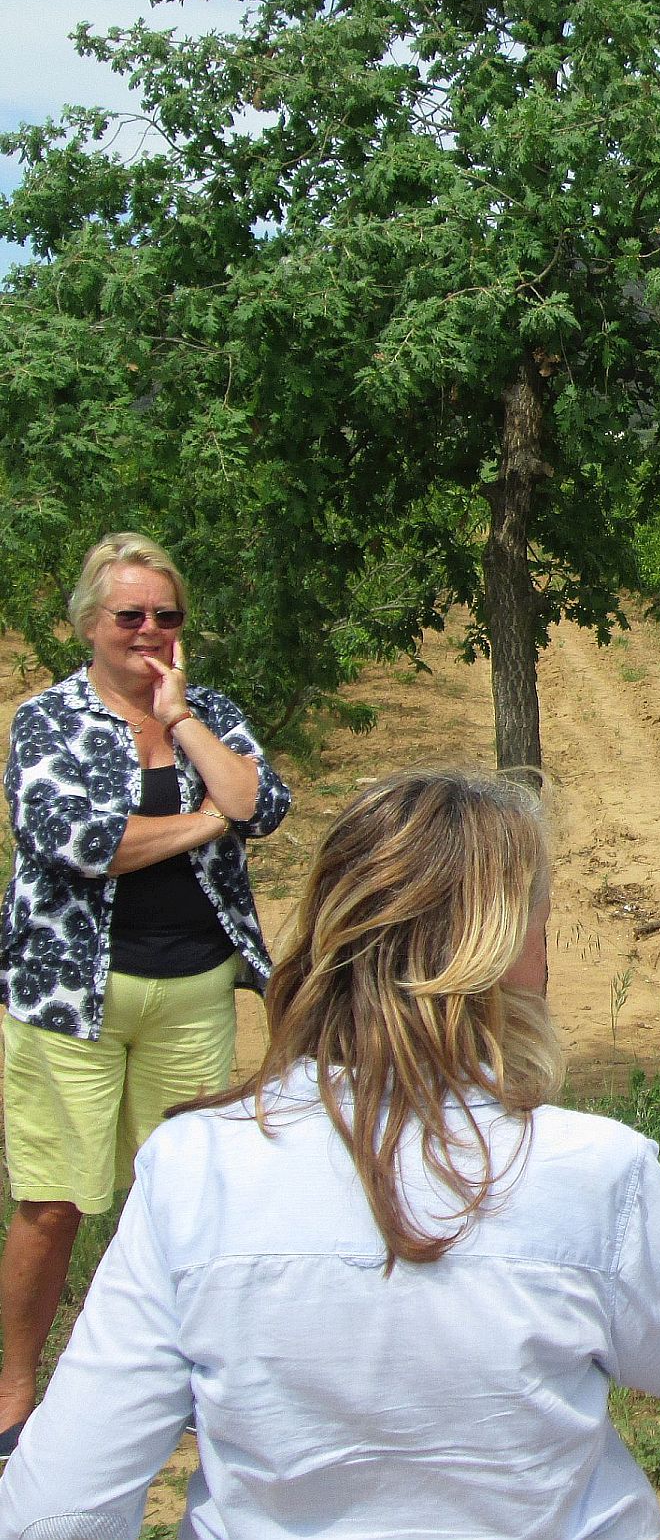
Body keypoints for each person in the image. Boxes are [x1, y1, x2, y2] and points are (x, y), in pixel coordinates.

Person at [0, 766, 660, 1536]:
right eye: (538, 928)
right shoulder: (590, 1172)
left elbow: (58, 1509)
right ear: (496, 954)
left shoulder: (194, 1168)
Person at [0, 531, 292, 1453]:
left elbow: (267, 804)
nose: (150, 630)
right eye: (130, 615)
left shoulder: (210, 712)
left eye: (167, 616)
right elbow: (78, 844)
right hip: (69, 997)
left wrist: (185, 726)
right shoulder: (45, 721)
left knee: (176, 1200)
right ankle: (12, 1396)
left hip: (194, 989)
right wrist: (211, 817)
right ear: (89, 622)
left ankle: (164, 1391)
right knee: (54, 1206)